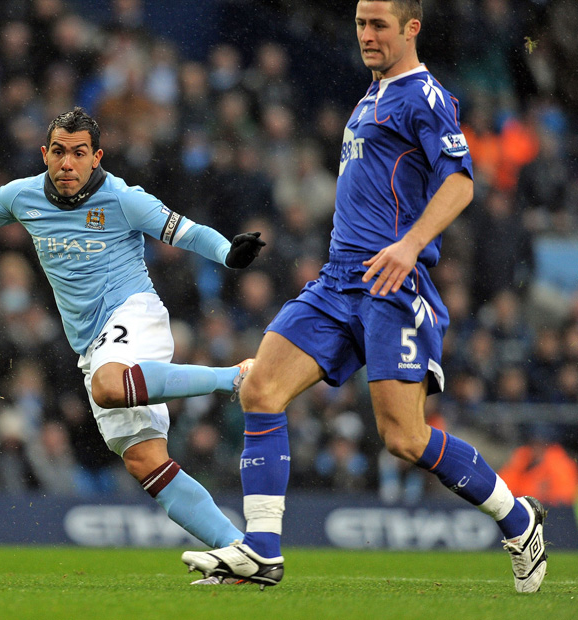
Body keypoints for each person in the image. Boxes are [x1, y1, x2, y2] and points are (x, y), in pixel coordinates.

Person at [182, 0, 548, 593]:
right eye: (359, 24)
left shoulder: (424, 95)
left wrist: (409, 246)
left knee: (403, 438)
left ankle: (517, 517)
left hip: (391, 286)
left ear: (411, 28)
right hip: (336, 282)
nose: (367, 35)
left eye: (379, 25)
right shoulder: (368, 98)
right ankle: (261, 551)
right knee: (260, 388)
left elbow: (459, 183)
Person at [0, 107, 265, 553]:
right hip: (92, 344)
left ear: (96, 157)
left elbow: (187, 232)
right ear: (45, 154)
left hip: (134, 313)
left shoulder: (123, 198)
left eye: (79, 153)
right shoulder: (23, 196)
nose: (68, 163)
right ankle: (244, 552)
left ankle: (233, 378)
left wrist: (227, 253)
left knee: (108, 386)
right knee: (144, 460)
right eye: (59, 152)